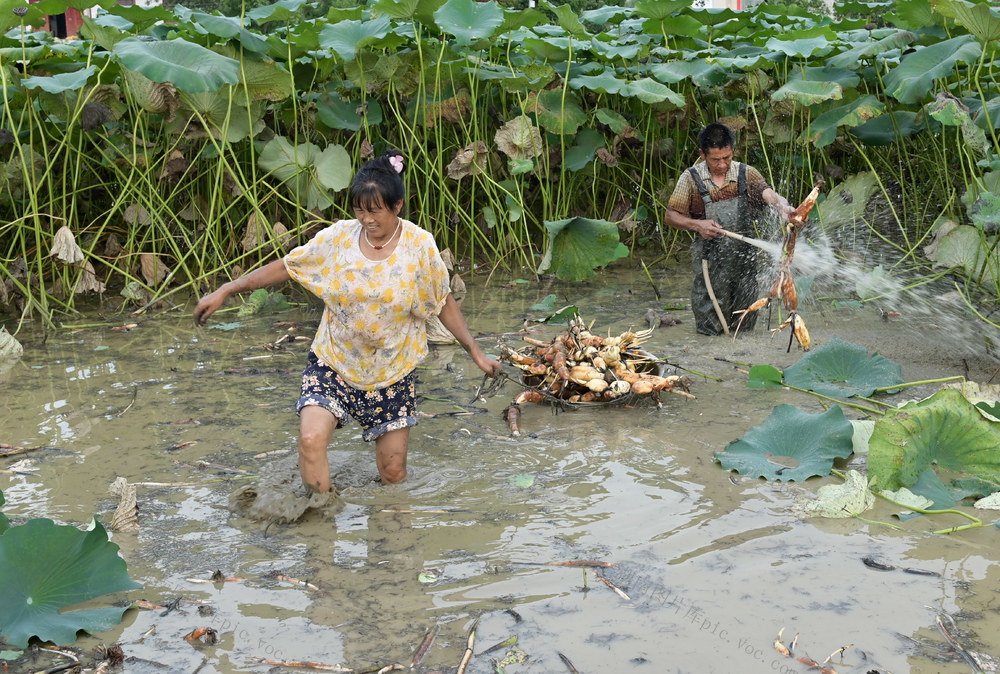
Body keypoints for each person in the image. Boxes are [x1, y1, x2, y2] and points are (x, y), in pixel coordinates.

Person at [194, 149, 502, 491]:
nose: (366, 219)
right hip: (334, 362)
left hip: (392, 371)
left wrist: (475, 351)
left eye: (375, 211)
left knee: (393, 473)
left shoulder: (419, 247)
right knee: (310, 440)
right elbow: (287, 266)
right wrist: (227, 288)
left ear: (397, 206)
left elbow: (442, 300)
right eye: (359, 210)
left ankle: (391, 530)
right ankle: (320, 524)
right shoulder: (338, 239)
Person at [664, 122, 796, 336]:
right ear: (702, 154)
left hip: (745, 263)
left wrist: (783, 207)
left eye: (727, 157)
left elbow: (768, 193)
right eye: (716, 159)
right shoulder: (690, 178)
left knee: (746, 321)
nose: (723, 164)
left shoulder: (746, 173)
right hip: (710, 264)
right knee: (710, 325)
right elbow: (670, 216)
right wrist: (698, 225)